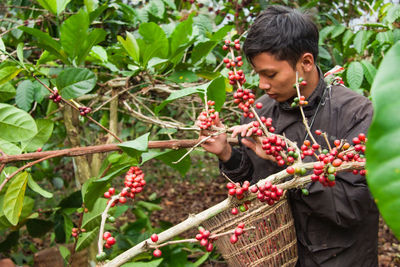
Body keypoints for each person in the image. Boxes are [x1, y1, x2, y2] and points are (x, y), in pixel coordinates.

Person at [199, 5, 379, 267]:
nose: (262, 84)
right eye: (258, 74)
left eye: (270, 74)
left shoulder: (356, 114)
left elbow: (353, 208)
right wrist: (227, 153)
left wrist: (291, 162)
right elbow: (252, 190)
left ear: (306, 62)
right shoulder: (260, 112)